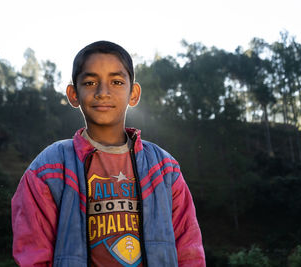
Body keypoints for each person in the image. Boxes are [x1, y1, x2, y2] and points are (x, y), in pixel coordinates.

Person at [11, 41, 205, 267]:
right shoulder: (50, 168)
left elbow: (189, 250)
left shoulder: (164, 169)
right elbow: (33, 252)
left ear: (134, 93)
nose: (103, 92)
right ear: (73, 94)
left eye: (117, 82)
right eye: (91, 82)